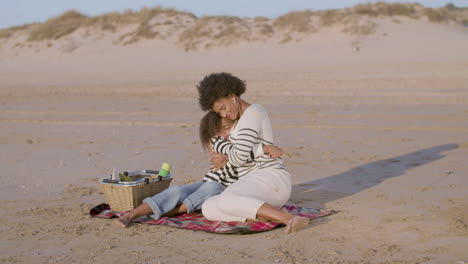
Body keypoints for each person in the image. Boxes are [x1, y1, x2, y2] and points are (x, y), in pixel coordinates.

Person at [116, 111, 283, 227]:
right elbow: (223, 153)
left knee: (210, 188)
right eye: (222, 130)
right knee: (177, 190)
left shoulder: (240, 140)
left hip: (226, 187)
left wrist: (230, 158)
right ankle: (133, 214)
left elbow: (242, 157)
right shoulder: (217, 142)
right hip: (209, 181)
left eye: (228, 128)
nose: (227, 133)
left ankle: (172, 211)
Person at [197, 72, 309, 234]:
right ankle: (270, 216)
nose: (224, 114)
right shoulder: (237, 123)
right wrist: (258, 149)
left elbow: (239, 158)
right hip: (253, 186)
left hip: (270, 179)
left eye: (223, 108)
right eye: (219, 113)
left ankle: (289, 219)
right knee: (209, 207)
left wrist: (228, 157)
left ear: (232, 96)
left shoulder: (254, 112)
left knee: (227, 200)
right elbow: (230, 152)